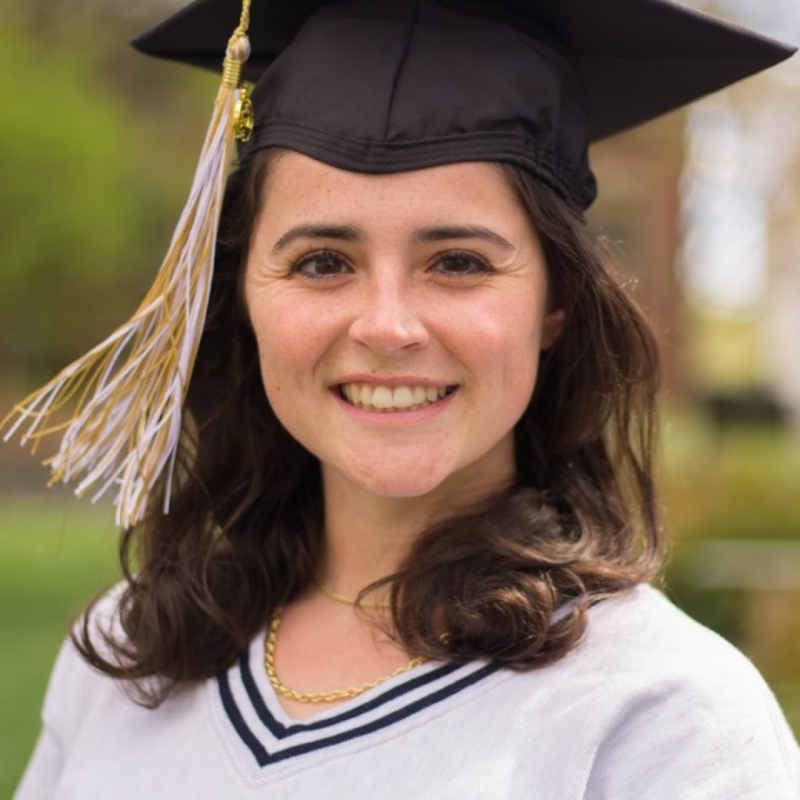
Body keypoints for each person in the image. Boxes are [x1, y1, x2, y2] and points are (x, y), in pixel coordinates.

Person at [10, 0, 800, 797]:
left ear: (555, 304)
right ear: (243, 298)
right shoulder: (124, 655)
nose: (388, 326)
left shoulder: (664, 720)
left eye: (458, 262)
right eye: (323, 262)